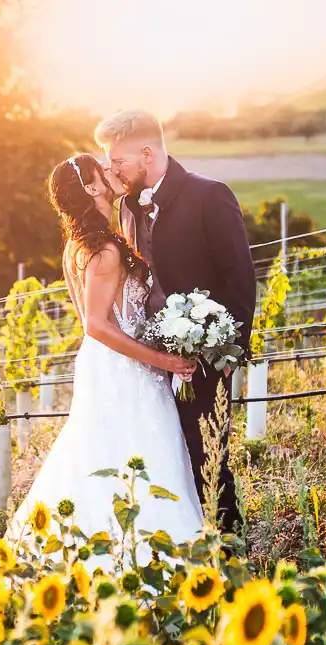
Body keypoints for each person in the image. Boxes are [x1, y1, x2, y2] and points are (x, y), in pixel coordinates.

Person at [7, 153, 203, 569]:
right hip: (121, 368)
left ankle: (105, 555)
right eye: (103, 169)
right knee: (138, 456)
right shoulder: (104, 250)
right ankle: (144, 562)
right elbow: (96, 324)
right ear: (93, 188)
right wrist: (161, 359)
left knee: (104, 456)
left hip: (109, 362)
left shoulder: (82, 244)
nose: (113, 171)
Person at [96, 109, 257, 536]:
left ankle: (228, 547)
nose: (113, 170)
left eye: (118, 161)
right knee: (168, 454)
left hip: (208, 353)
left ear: (147, 153)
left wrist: (228, 352)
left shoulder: (210, 195)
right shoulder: (129, 206)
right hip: (151, 357)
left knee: (208, 456)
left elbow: (239, 279)